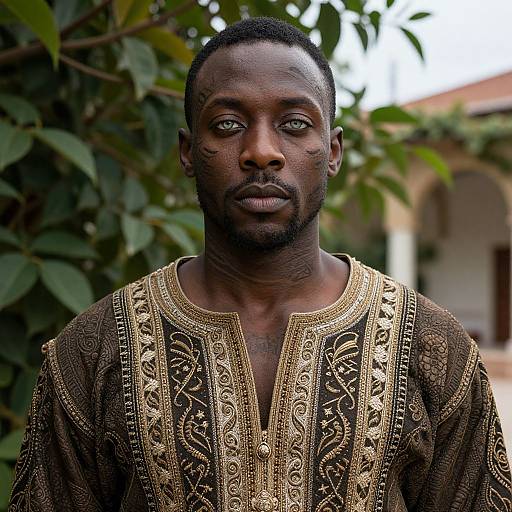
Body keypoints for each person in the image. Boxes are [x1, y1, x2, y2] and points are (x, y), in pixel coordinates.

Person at [9, 16, 512, 512]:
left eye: (294, 124)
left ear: (332, 151)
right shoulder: (92, 352)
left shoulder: (432, 350)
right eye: (228, 125)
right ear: (187, 153)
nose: (262, 152)